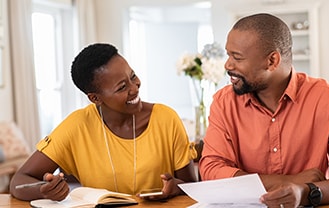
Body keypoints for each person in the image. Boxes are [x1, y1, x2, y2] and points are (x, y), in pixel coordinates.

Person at [199, 13, 329, 208]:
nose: (228, 65)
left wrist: (305, 192)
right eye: (228, 55)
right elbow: (211, 169)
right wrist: (286, 181)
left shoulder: (328, 99)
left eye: (237, 57)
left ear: (272, 61)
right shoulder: (224, 103)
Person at [10, 43, 197, 201]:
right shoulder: (77, 126)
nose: (135, 88)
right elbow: (19, 181)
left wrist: (174, 189)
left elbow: (191, 186)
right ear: (95, 98)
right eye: (122, 87)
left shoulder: (166, 118)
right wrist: (43, 191)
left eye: (132, 76)